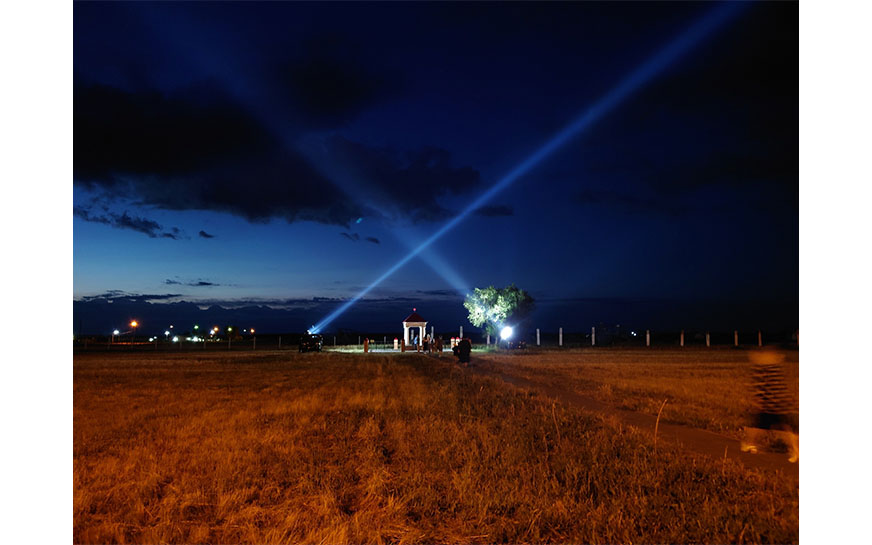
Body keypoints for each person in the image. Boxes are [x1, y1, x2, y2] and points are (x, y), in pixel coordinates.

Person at [740, 347, 799, 463]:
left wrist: (757, 402)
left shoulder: (763, 369)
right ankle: (796, 451)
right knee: (786, 428)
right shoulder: (773, 369)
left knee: (758, 426)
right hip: (777, 405)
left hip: (770, 406)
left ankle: (748, 443)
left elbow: (760, 387)